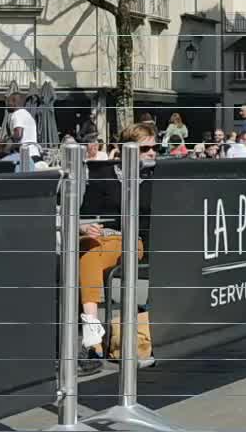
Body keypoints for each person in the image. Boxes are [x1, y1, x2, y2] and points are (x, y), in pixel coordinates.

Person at [78, 122, 158, 362]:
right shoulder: (103, 175)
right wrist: (85, 225)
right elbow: (86, 213)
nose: (152, 153)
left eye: (154, 148)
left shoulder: (159, 177)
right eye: (144, 150)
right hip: (104, 239)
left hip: (137, 240)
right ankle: (93, 334)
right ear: (125, 150)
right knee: (88, 247)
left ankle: (92, 336)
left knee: (89, 252)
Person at [0, 92, 41, 162]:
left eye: (8, 102)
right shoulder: (27, 114)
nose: (7, 105)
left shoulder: (17, 114)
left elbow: (18, 135)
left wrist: (4, 144)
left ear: (14, 101)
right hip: (34, 154)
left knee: (0, 164)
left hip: (26, 156)